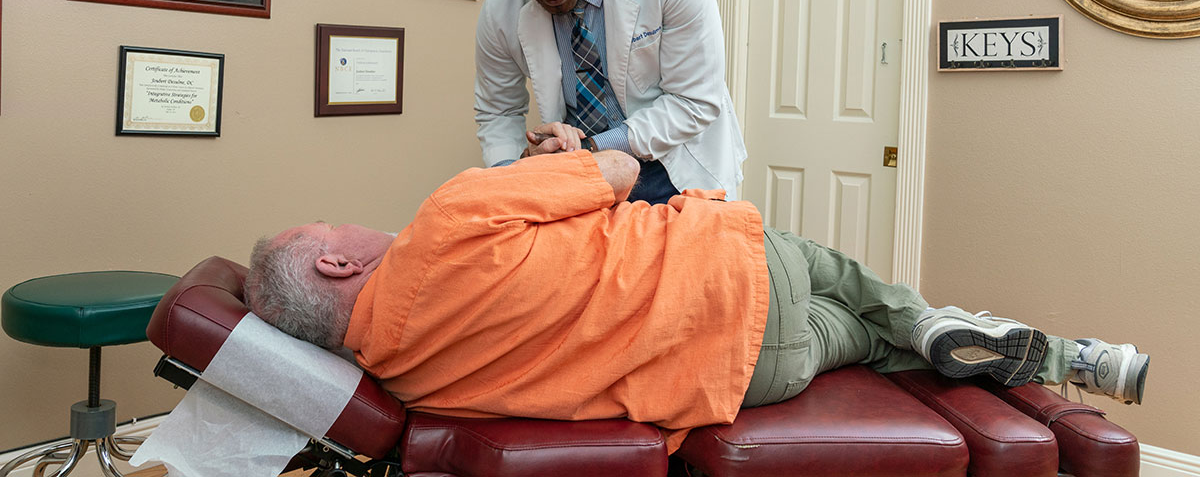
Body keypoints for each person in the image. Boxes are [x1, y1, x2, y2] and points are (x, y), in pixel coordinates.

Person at [245, 151, 1149, 454]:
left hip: (747, 378)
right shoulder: (445, 220)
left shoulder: (412, 382)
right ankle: (961, 328)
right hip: (741, 272)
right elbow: (621, 171)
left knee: (867, 344)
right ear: (333, 262)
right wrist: (558, 156)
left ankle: (1029, 351)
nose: (360, 226)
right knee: (866, 293)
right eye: (340, 228)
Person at [474, 0, 745, 205]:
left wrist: (589, 149)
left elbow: (694, 100)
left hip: (677, 163)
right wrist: (514, 177)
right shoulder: (501, 5)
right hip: (583, 178)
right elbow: (498, 110)